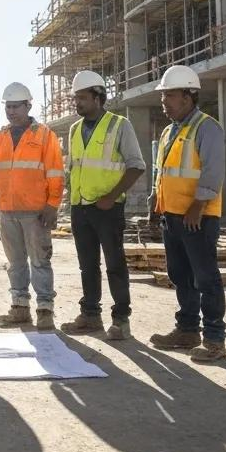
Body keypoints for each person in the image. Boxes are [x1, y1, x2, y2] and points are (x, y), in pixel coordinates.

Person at [146, 65, 226, 362]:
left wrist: (198, 205)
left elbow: (213, 170)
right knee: (180, 275)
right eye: (163, 96)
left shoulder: (207, 127)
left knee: (206, 278)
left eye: (169, 95)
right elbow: (165, 170)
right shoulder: (170, 131)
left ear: (188, 96)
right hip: (173, 215)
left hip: (199, 217)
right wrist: (157, 198)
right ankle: (187, 330)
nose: (164, 101)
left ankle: (215, 340)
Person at [60, 70, 148, 341]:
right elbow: (74, 169)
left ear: (98, 97)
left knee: (114, 264)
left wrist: (112, 195)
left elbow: (137, 166)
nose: (78, 103)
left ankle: (121, 319)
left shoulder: (119, 125)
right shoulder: (74, 130)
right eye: (76, 98)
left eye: (83, 98)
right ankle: (90, 314)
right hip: (80, 207)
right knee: (87, 265)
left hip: (107, 208)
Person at [0, 82, 64, 331]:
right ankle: (19, 308)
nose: (11, 111)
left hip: (36, 212)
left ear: (28, 106)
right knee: (16, 262)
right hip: (7, 211)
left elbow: (55, 173)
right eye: (8, 106)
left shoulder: (44, 135)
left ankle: (45, 309)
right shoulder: (0, 137)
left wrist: (52, 205)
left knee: (40, 261)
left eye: (16, 106)